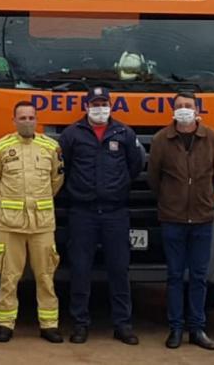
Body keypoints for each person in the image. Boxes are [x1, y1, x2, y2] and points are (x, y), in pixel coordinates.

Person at [59, 86, 142, 345]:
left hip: (115, 213)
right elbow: (64, 167)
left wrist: (117, 187)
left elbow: (135, 165)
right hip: (82, 213)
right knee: (80, 270)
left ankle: (122, 325)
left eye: (103, 103)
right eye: (94, 104)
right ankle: (80, 324)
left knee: (119, 269)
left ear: (111, 105)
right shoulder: (72, 134)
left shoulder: (124, 133)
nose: (99, 108)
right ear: (86, 107)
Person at [0, 101, 64, 343]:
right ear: (14, 120)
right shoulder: (0, 148)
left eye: (31, 117)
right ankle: (5, 324)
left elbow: (56, 181)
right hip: (11, 224)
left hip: (42, 224)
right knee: (9, 276)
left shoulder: (51, 147)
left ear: (36, 120)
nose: (27, 121)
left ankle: (49, 324)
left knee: (45, 276)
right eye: (22, 117)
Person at [146, 91, 214, 351]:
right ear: (172, 110)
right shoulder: (161, 140)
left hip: (202, 218)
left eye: (188, 105)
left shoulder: (210, 137)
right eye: (180, 106)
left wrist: (200, 198)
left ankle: (197, 329)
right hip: (173, 219)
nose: (184, 109)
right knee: (175, 276)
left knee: (199, 276)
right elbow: (154, 179)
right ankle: (175, 329)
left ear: (197, 109)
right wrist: (172, 199)